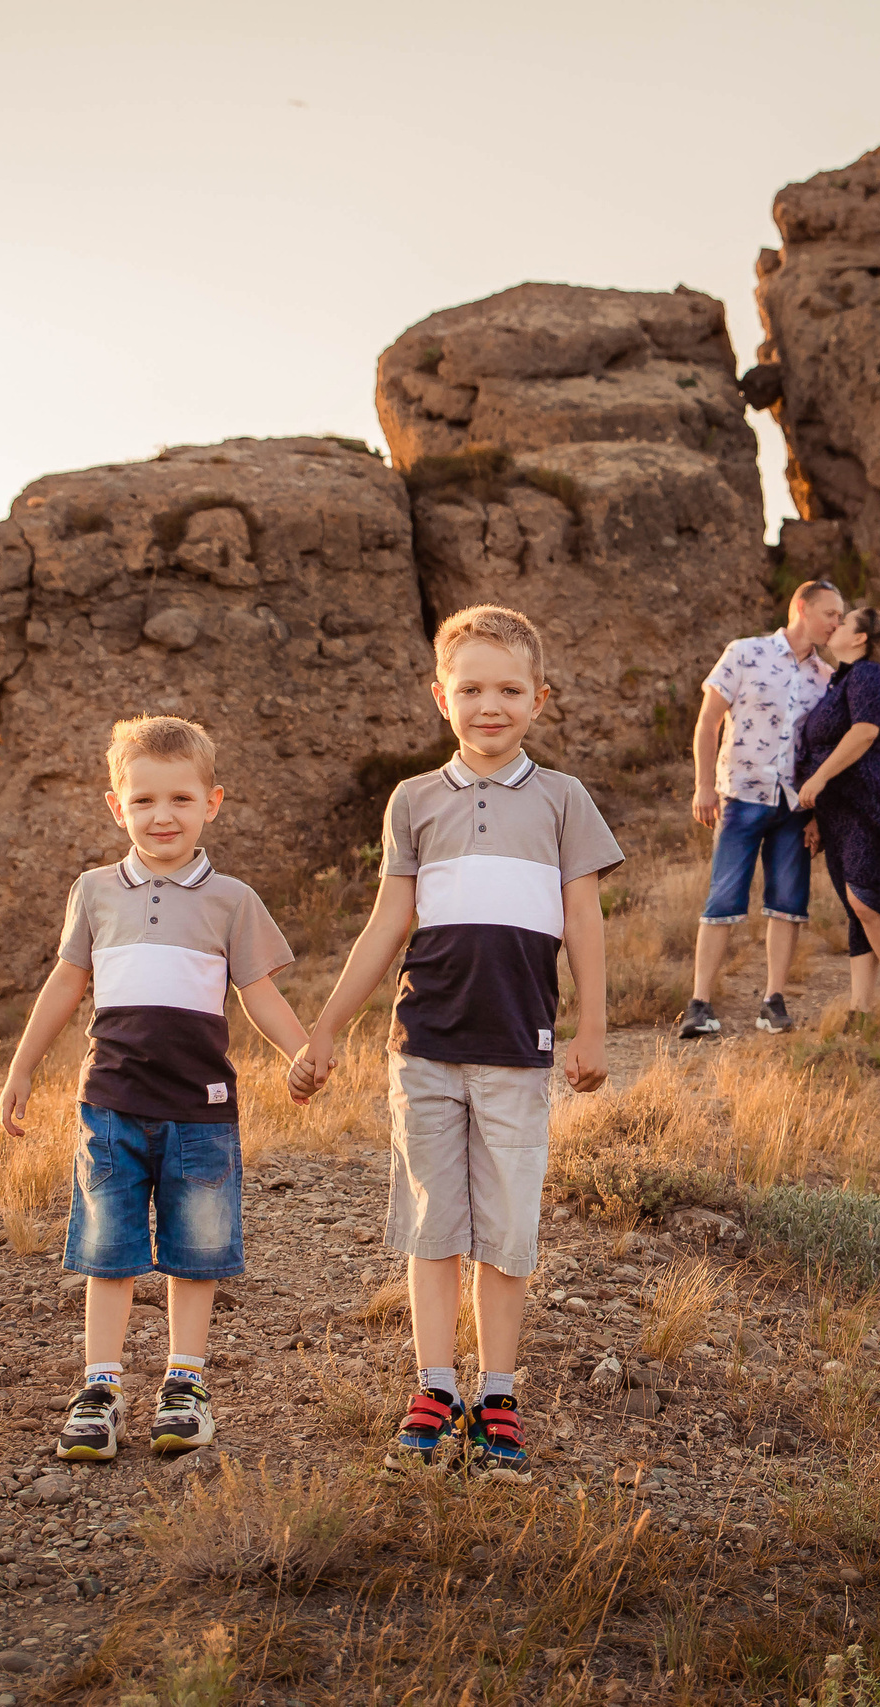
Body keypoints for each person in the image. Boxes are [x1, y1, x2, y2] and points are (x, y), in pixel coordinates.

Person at [290, 605, 621, 1482]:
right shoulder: (415, 801)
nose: (489, 704)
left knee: (506, 1228)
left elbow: (583, 916)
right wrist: (327, 1026)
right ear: (441, 697)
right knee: (433, 1225)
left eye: (509, 689)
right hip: (425, 1045)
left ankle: (498, 1393)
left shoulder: (562, 800)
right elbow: (387, 921)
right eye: (470, 688)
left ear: (538, 699)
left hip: (520, 1046)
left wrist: (592, 1024)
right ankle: (435, 1385)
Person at [0, 715, 312, 1462]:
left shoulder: (232, 899)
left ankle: (185, 1383)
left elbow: (258, 993)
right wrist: (22, 1065)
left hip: (201, 1109)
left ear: (212, 802)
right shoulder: (94, 891)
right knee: (109, 1251)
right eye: (142, 801)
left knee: (195, 1251)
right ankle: (99, 1388)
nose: (161, 816)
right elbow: (66, 983)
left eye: (179, 798)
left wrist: (303, 1049)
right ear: (116, 806)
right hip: (109, 1103)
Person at [676, 578, 847, 1039]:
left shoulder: (826, 678)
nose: (836, 623)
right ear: (802, 607)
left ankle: (773, 1000)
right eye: (830, 613)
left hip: (794, 805)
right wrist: (704, 785)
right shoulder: (744, 652)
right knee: (722, 899)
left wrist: (817, 815)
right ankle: (699, 1004)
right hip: (740, 796)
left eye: (840, 617)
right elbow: (708, 720)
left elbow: (824, 751)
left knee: (788, 904)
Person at [795, 606, 880, 1034]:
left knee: (866, 899)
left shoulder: (868, 675)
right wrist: (817, 815)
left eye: (843, 622)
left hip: (868, 800)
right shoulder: (842, 681)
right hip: (837, 809)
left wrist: (817, 778)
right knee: (857, 907)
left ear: (859, 639)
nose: (833, 626)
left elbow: (865, 732)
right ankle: (860, 1010)